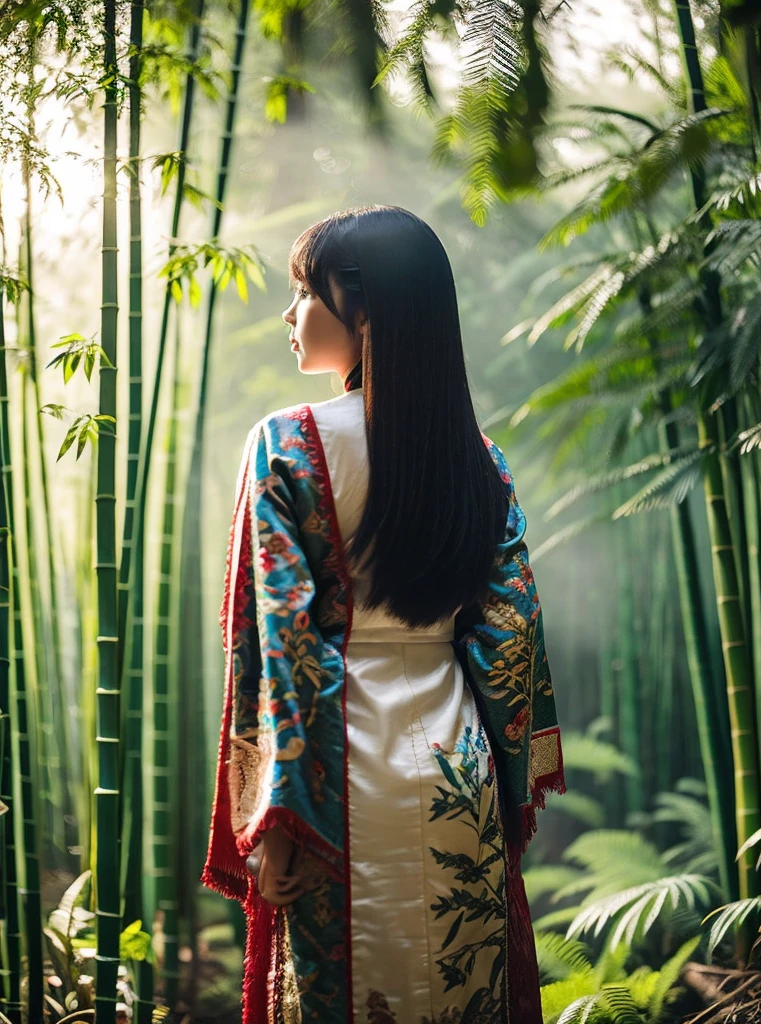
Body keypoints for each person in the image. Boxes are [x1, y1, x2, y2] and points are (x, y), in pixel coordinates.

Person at [201, 205, 566, 1024]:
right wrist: (504, 787)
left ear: (363, 311)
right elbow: (511, 638)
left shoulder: (286, 445)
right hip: (455, 768)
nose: (289, 315)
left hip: (338, 782)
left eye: (303, 292)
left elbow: (284, 642)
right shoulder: (480, 460)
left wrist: (280, 817)